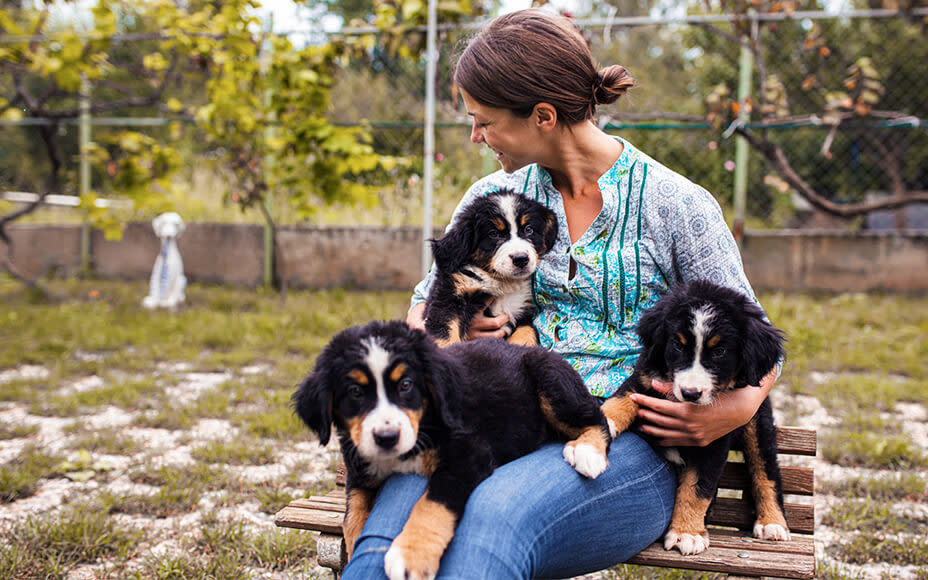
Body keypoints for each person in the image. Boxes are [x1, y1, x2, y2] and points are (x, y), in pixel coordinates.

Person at [343, 8, 779, 579]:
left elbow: (753, 334)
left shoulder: (677, 206)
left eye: (484, 121)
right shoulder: (493, 197)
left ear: (543, 116)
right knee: (389, 535)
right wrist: (456, 332)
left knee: (493, 520)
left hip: (627, 444)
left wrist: (736, 408)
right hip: (497, 416)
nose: (475, 136)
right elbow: (427, 303)